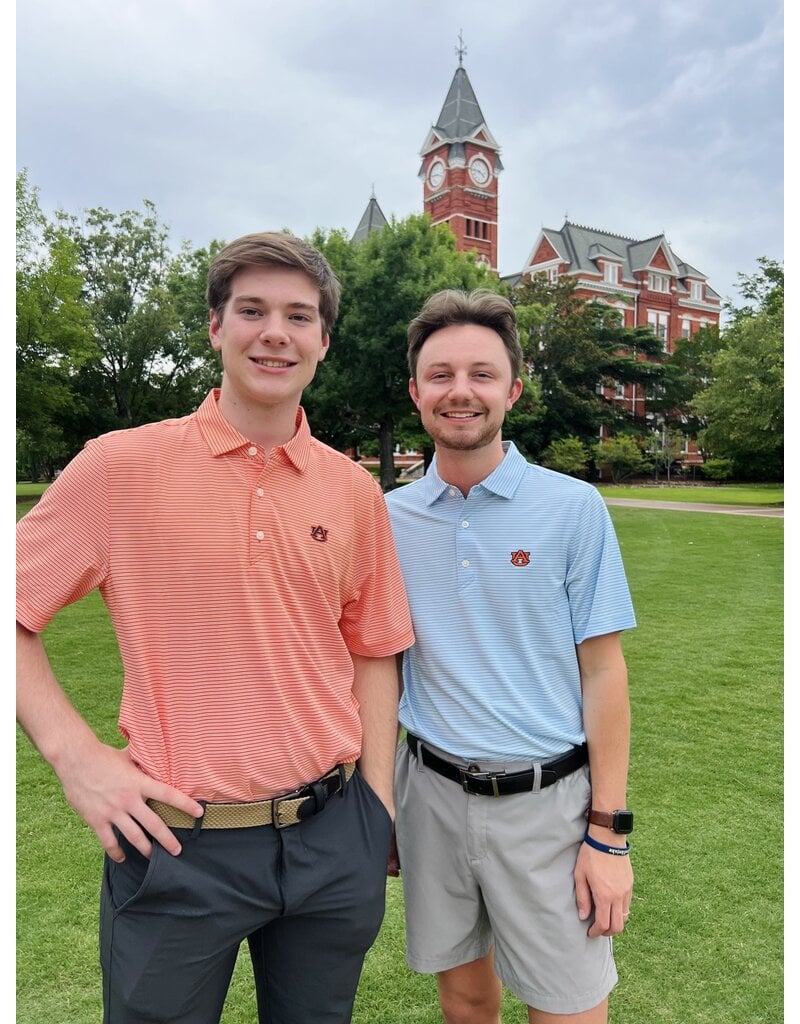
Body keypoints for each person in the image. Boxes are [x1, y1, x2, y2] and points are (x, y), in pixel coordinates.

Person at [16, 231, 415, 1024]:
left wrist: (377, 809)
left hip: (332, 837)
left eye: (299, 316)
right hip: (175, 844)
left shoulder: (352, 490)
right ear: (215, 327)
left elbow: (373, 651)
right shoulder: (118, 467)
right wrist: (77, 758)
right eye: (253, 310)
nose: (276, 332)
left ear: (323, 341)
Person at [386, 289, 637, 1024]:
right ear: (415, 391)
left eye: (482, 374)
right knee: (463, 995)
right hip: (428, 795)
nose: (460, 391)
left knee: (569, 1007)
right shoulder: (388, 517)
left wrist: (609, 834)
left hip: (550, 805)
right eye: (440, 375)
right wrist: (379, 809)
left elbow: (604, 672)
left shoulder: (572, 507)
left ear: (513, 390)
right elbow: (377, 669)